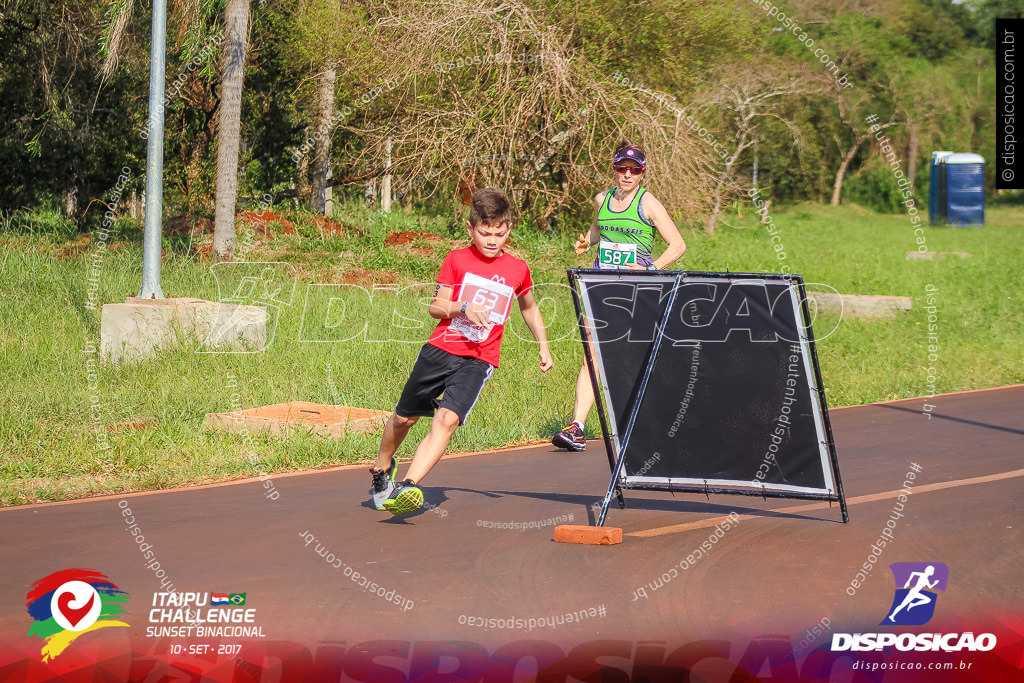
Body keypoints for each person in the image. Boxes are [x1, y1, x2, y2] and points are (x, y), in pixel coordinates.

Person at [370, 188, 554, 515]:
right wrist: (463, 308)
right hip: (440, 349)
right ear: (471, 229)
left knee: (447, 419)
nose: (493, 240)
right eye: (485, 233)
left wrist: (543, 344)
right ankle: (382, 469)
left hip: (479, 359)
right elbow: (436, 308)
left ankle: (409, 486)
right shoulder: (456, 260)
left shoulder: (518, 269)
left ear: (509, 228)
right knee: (404, 418)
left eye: (500, 233)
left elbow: (529, 307)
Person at [551, 141, 687, 451]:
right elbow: (599, 227)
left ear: (642, 173)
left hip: (636, 289)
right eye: (622, 168)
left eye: (634, 169)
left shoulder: (648, 203)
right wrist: (588, 241)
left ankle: (659, 420)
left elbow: (678, 245)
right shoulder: (602, 198)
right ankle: (578, 428)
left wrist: (649, 269)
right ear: (614, 169)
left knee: (635, 356)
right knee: (593, 354)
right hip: (601, 285)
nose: (627, 174)